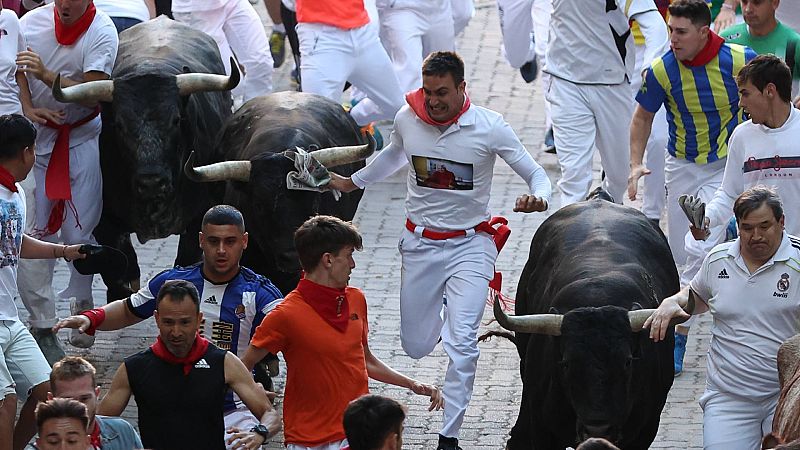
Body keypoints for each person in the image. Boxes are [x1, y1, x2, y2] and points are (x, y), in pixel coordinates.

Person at [327, 51, 551, 450]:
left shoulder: (489, 126)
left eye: (442, 93)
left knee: (462, 343)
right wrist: (351, 183)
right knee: (416, 345)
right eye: (428, 91)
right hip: (420, 246)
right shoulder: (407, 118)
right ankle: (451, 310)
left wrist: (539, 196)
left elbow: (536, 172)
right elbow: (394, 154)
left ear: (463, 88)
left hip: (471, 245)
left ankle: (448, 437)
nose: (432, 101)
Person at [53, 205, 283, 448]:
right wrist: (92, 318)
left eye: (230, 241)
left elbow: (290, 326)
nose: (222, 250)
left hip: (234, 407)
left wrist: (247, 376)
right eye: (214, 241)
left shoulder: (259, 292)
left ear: (244, 241)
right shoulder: (171, 284)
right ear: (201, 241)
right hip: (173, 401)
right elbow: (129, 308)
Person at [627, 0, 757, 375]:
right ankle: (727, 234)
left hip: (728, 164)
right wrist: (635, 164)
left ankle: (678, 334)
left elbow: (766, 99)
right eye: (669, 30)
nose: (672, 38)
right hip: (681, 166)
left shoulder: (738, 60)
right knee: (680, 252)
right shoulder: (661, 70)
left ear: (705, 32)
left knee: (700, 247)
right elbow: (641, 118)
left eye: (681, 32)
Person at [242, 215, 443, 450]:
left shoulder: (356, 299)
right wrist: (253, 392)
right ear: (328, 260)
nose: (353, 264)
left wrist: (412, 384)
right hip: (308, 440)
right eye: (349, 255)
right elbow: (241, 365)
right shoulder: (285, 315)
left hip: (357, 436)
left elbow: (364, 360)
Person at [644, 185, 800, 450]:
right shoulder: (718, 259)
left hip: (785, 398)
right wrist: (673, 302)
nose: (756, 236)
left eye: (765, 226)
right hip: (728, 399)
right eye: (748, 228)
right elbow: (696, 296)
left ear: (781, 222)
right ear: (737, 225)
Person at [16, 0, 119, 354]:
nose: (65, 6)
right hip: (33, 143)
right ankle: (43, 323)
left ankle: (82, 300)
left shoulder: (102, 30)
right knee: (32, 231)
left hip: (79, 139)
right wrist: (28, 106)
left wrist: (47, 75)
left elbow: (95, 89)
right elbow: (15, 71)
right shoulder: (29, 23)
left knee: (79, 231)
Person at [97, 280, 281, 450]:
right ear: (156, 318)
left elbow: (270, 414)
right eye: (168, 322)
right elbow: (97, 426)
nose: (176, 332)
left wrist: (259, 433)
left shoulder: (224, 362)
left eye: (185, 322)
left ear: (199, 319)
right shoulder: (133, 368)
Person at [0, 114, 87, 450]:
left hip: (10, 317)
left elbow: (14, 242)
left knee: (46, 391)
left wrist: (64, 250)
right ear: (26, 152)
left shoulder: (17, 193)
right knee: (5, 401)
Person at [546, 0, 668, 206]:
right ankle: (571, 236)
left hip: (612, 84)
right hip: (564, 80)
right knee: (574, 178)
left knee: (620, 175)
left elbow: (655, 25)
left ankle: (609, 201)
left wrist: (649, 66)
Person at [693, 56, 800, 244]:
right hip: (756, 250)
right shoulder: (741, 135)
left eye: (745, 93)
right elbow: (729, 194)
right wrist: (706, 219)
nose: (741, 103)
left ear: (770, 91)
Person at [294, 0, 404, 127]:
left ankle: (351, 122)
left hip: (363, 32)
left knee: (396, 105)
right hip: (322, 38)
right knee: (319, 119)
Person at [24, 356, 142, 450]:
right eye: (69, 400)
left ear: (97, 394)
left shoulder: (122, 432)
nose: (79, 407)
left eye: (84, 399)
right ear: (51, 399)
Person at [171, 0, 273, 102]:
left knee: (261, 63)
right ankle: (236, 114)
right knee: (231, 86)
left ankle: (258, 113)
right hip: (196, 11)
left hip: (233, 3)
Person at [720, 0, 800, 95]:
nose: (748, 9)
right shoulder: (726, 40)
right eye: (744, 2)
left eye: (757, 2)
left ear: (775, 3)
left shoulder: (794, 42)